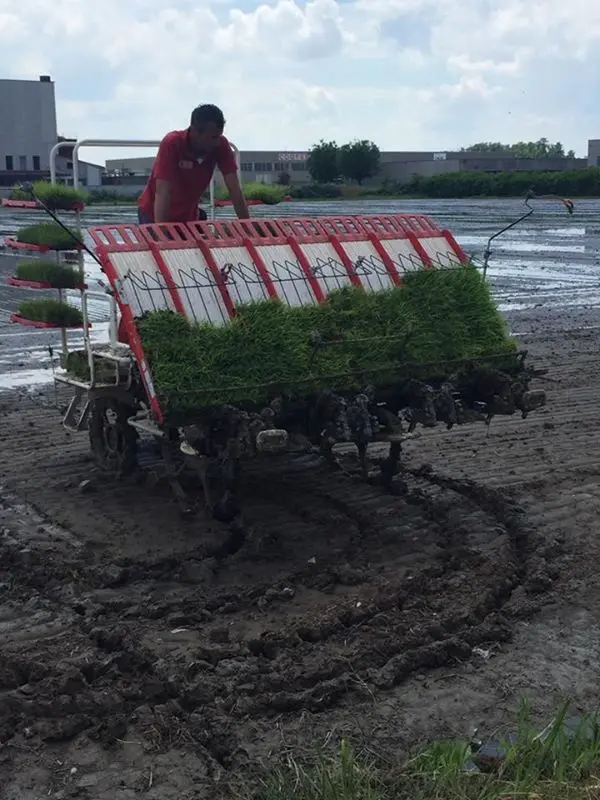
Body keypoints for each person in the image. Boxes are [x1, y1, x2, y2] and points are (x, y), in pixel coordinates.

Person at [137, 103, 250, 224]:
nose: (217, 142)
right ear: (195, 131)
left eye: (219, 136)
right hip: (154, 213)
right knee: (164, 239)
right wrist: (162, 233)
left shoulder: (220, 145)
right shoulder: (172, 143)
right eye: (212, 137)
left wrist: (248, 226)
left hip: (187, 215)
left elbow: (234, 189)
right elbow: (162, 191)